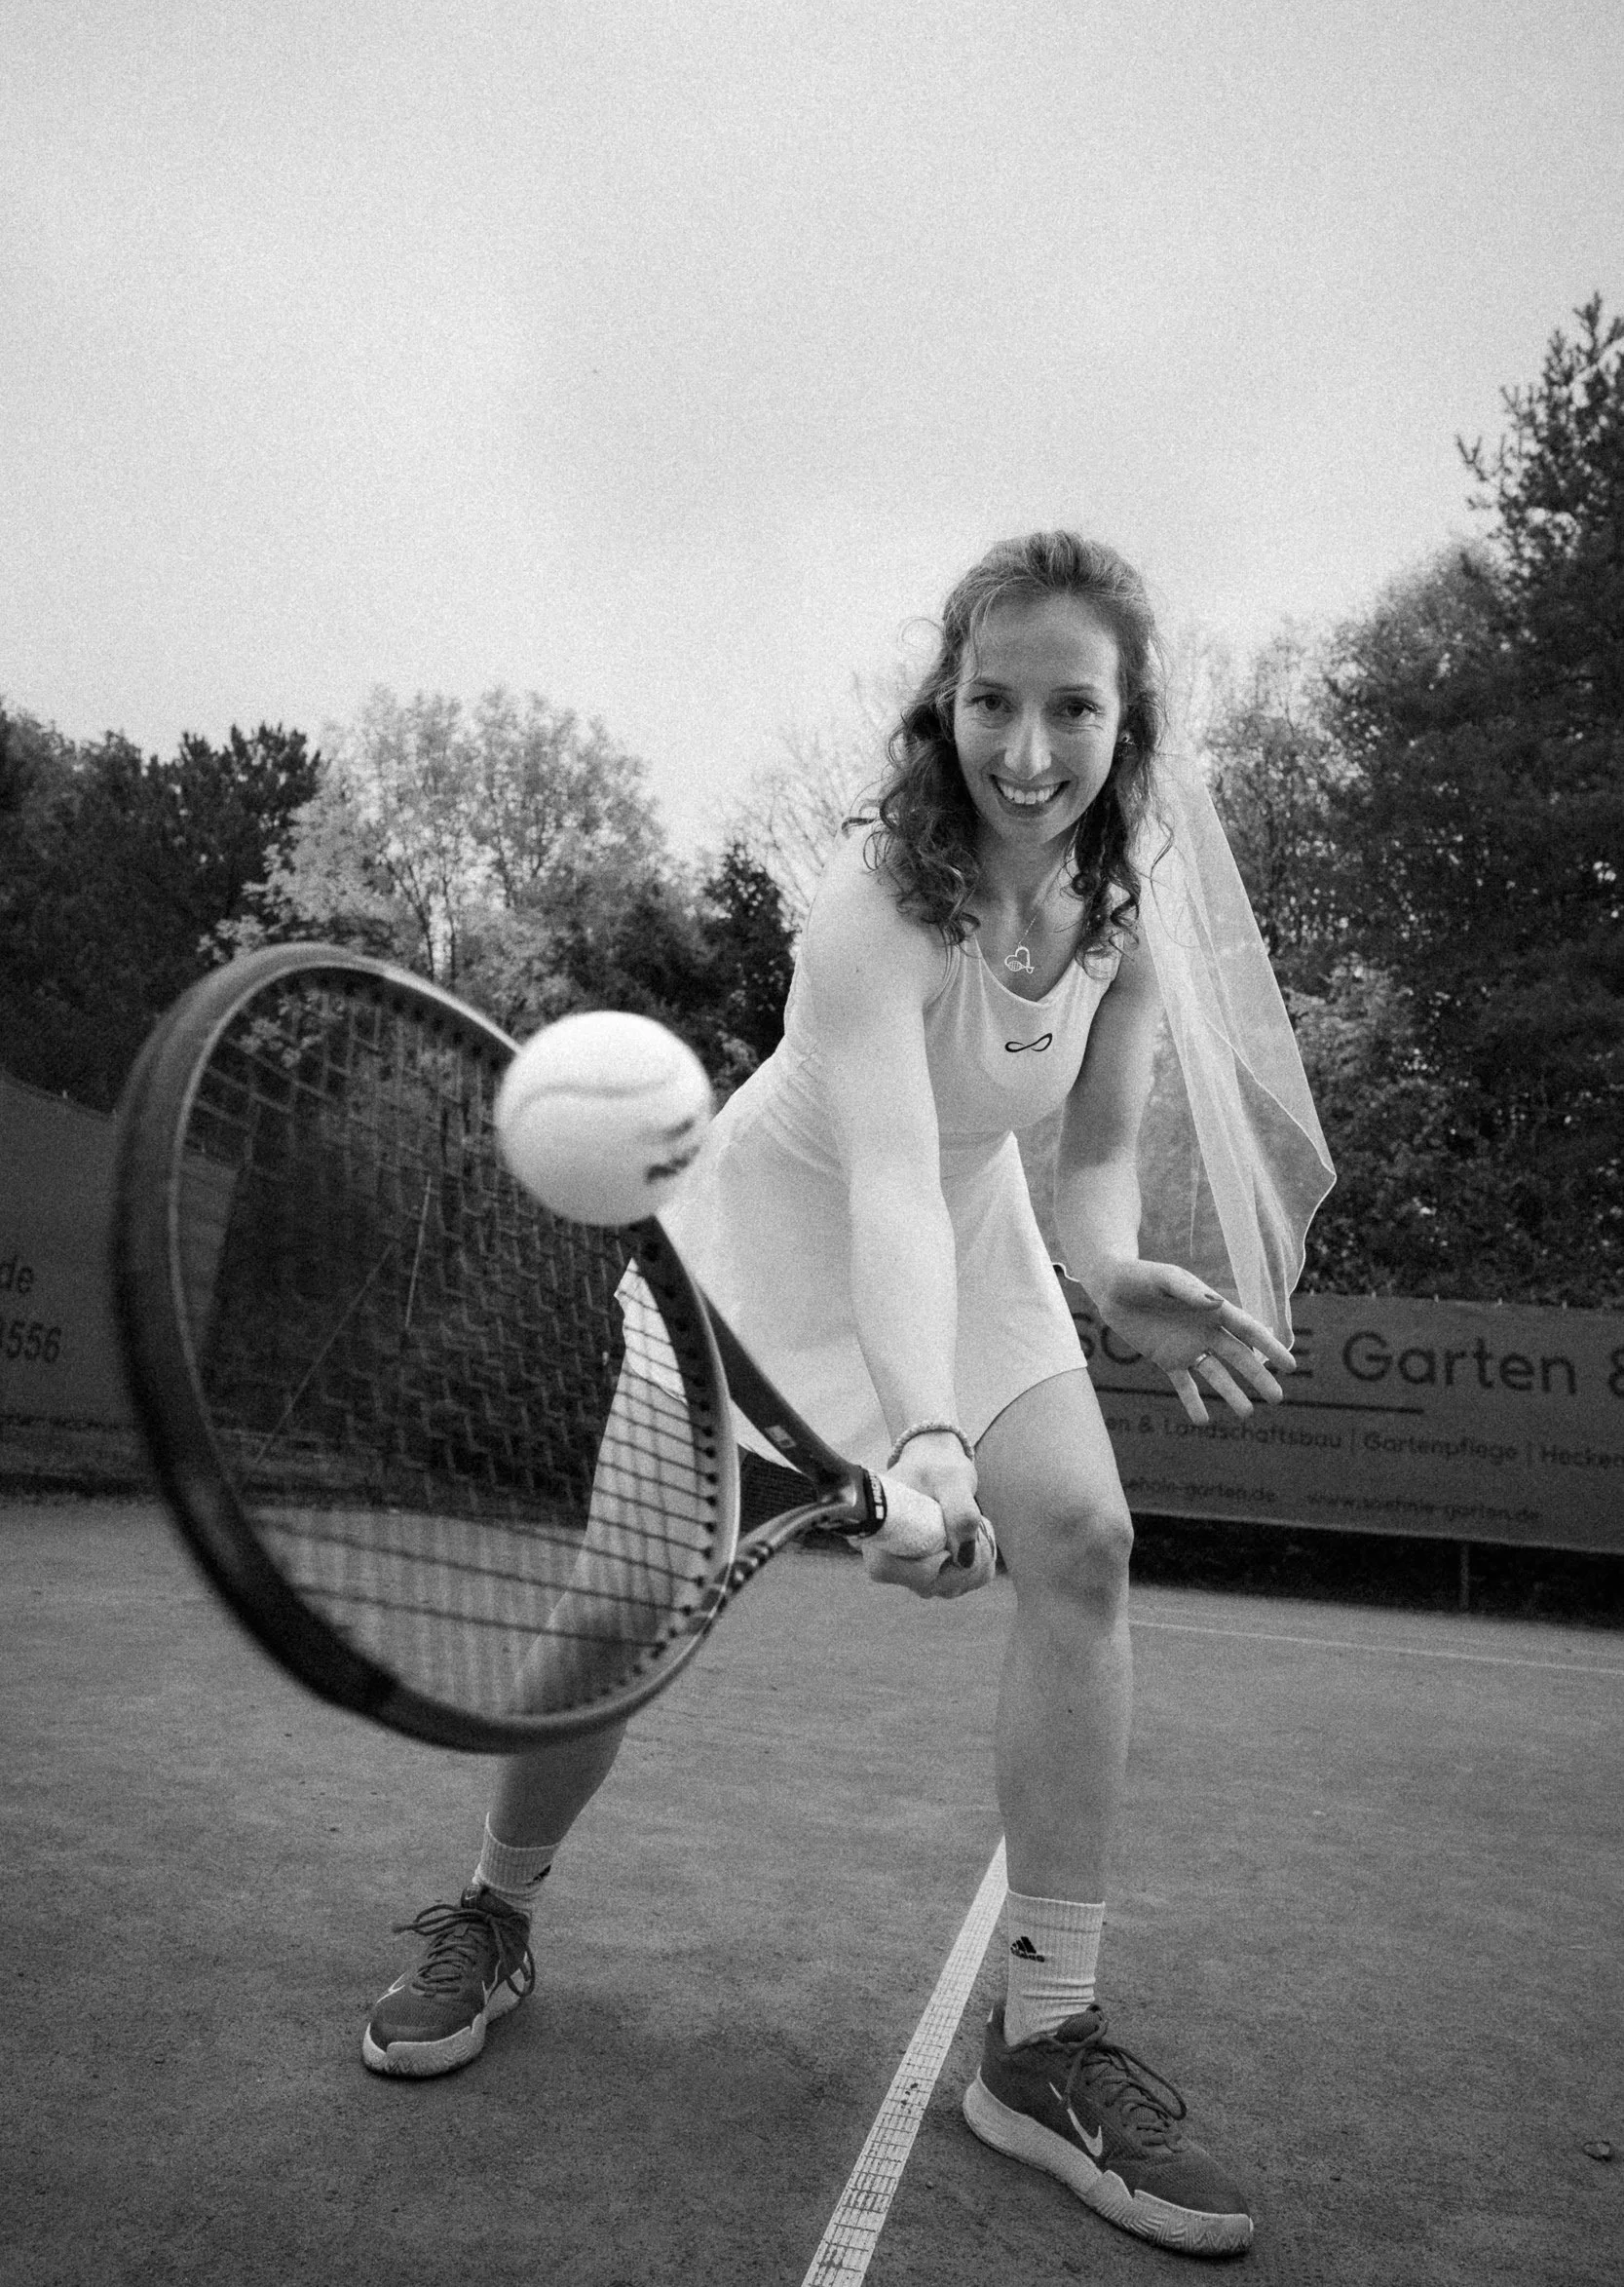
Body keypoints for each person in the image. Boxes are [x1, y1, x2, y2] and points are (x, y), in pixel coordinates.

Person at [360, 530, 1332, 2261]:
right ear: (941, 703)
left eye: (1072, 709)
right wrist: (927, 1441)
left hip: (971, 1248)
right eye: (992, 702)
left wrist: (1112, 1280)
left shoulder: (1125, 897)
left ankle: (1040, 2041)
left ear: (1129, 721)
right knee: (613, 1625)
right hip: (761, 1262)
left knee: (1085, 1544)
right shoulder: (880, 901)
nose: (1028, 751)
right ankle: (494, 1914)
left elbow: (1086, 1164)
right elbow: (882, 1171)